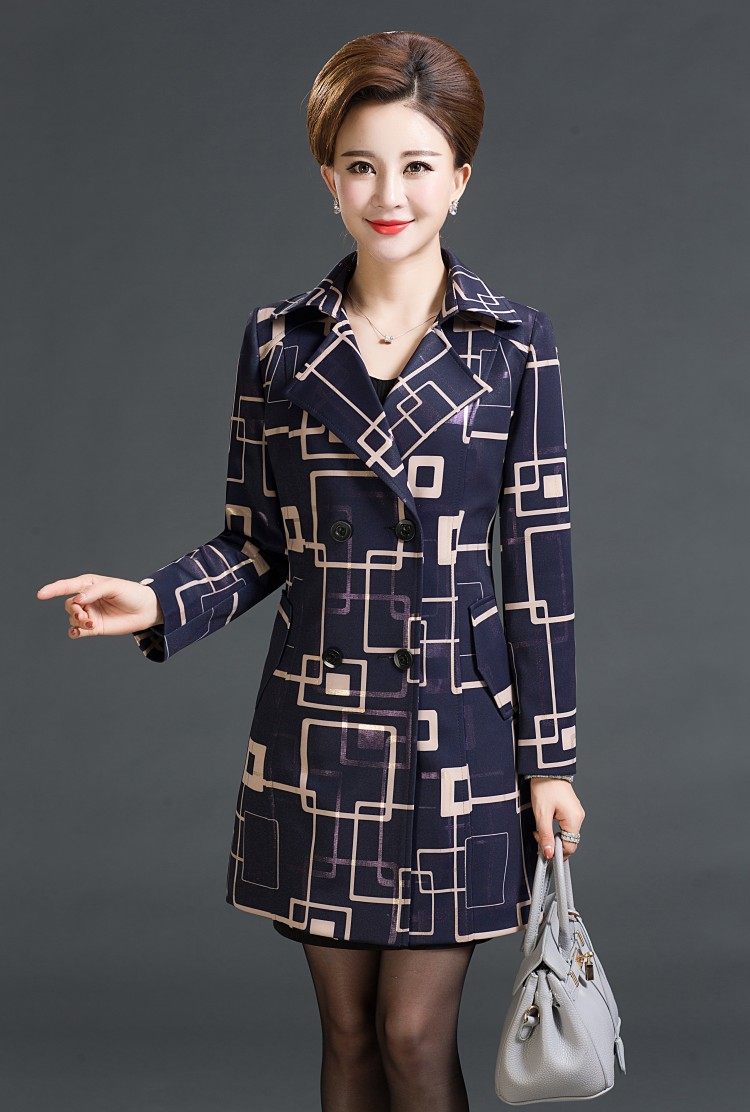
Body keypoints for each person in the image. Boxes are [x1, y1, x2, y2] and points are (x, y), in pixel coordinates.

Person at [37, 30, 585, 1112]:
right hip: (319, 731)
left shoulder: (513, 344)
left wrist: (551, 763)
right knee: (347, 1038)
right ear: (329, 178)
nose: (390, 194)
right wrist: (156, 598)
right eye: (361, 165)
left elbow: (539, 565)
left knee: (413, 1035)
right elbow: (256, 540)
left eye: (417, 165)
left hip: (455, 735)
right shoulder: (280, 342)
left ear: (461, 179)